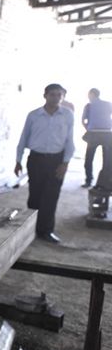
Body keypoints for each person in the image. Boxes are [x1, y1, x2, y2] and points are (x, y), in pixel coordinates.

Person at [14, 84, 75, 244]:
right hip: (36, 160)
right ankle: (29, 230)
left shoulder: (67, 115)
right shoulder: (34, 115)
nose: (56, 98)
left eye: (59, 95)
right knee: (35, 195)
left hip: (57, 161)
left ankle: (46, 230)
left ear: (62, 97)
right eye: (52, 94)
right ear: (45, 95)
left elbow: (69, 141)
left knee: (51, 196)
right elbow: (24, 137)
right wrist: (18, 160)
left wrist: (65, 163)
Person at [81, 88, 112, 190]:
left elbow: (83, 120)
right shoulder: (108, 104)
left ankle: (88, 181)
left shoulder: (89, 106)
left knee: (89, 158)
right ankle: (104, 182)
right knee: (107, 160)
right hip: (107, 134)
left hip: (93, 133)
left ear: (91, 94)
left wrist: (88, 128)